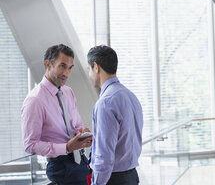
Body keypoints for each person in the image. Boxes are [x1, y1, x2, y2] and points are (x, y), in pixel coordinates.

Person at [21, 44, 92, 185]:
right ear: (48, 64)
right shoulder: (35, 100)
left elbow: (76, 126)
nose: (66, 73)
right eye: (62, 66)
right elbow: (30, 145)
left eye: (70, 68)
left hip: (82, 163)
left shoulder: (68, 92)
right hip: (61, 167)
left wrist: (82, 133)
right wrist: (66, 148)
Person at [87, 45, 143, 185]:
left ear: (96, 67)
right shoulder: (130, 96)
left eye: (89, 69)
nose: (89, 74)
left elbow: (104, 157)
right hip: (131, 176)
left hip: (113, 179)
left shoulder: (105, 103)